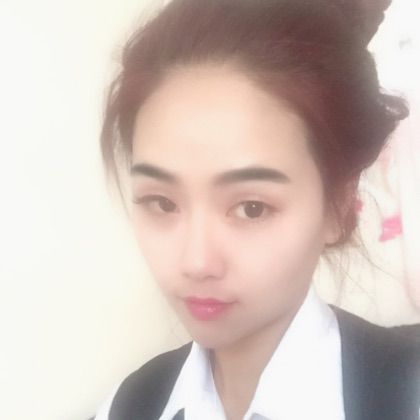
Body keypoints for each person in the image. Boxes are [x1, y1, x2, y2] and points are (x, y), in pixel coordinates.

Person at [93, 0, 420, 418]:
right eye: (163, 203)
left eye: (251, 208)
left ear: (338, 206)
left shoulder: (406, 396)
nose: (196, 262)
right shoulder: (129, 406)